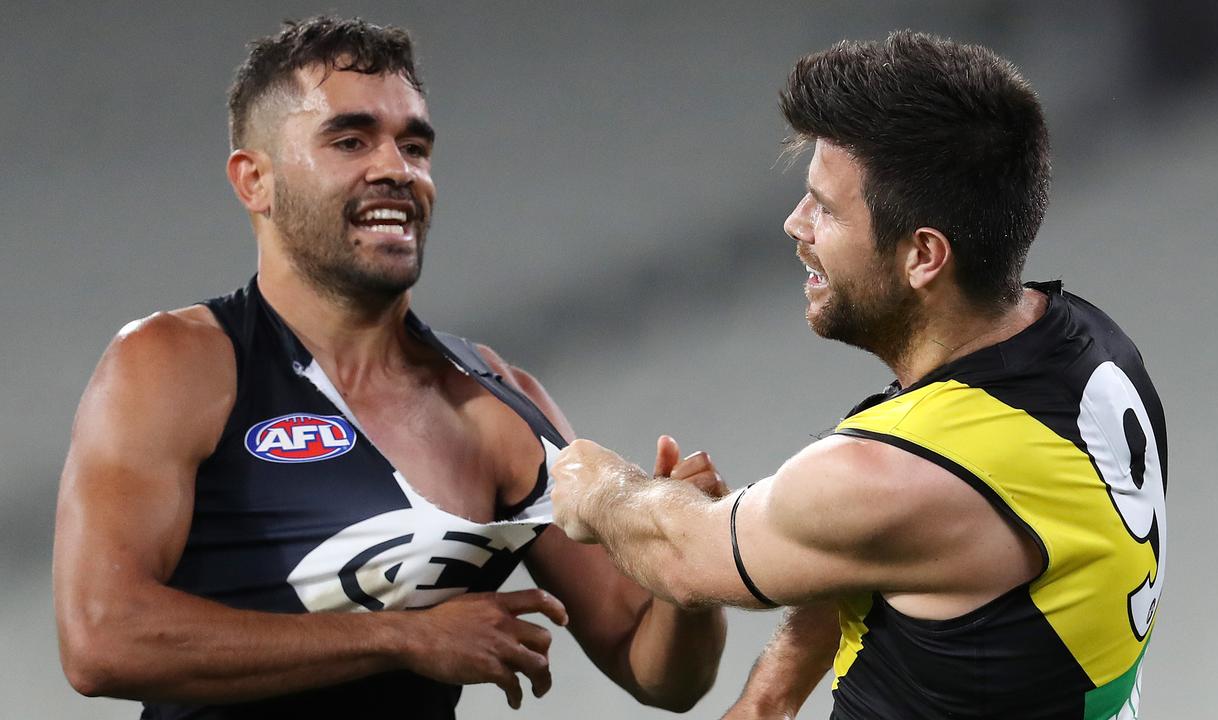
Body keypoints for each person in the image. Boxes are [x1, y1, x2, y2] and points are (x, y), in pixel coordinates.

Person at [53, 16, 726, 719]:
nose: (396, 169)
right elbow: (102, 639)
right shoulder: (175, 364)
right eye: (350, 140)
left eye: (414, 145)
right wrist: (400, 637)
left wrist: (690, 568)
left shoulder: (495, 403)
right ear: (256, 181)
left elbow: (657, 673)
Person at [551, 31, 1167, 720]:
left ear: (924, 255)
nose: (795, 223)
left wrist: (598, 489)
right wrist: (768, 699)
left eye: (826, 208)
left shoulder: (889, 480)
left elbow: (683, 557)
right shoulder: (1090, 348)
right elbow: (892, 548)